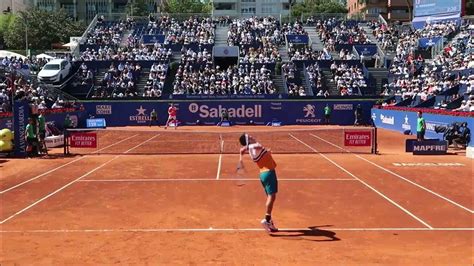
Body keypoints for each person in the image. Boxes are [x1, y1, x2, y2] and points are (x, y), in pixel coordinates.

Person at [239, 133, 278, 233]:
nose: (252, 136)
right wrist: (246, 146)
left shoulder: (253, 149)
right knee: (272, 196)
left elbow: (260, 150)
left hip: (264, 174)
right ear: (248, 141)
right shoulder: (254, 147)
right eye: (249, 137)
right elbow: (259, 146)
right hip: (268, 173)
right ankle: (267, 220)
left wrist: (267, 152)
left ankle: (270, 221)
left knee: (270, 197)